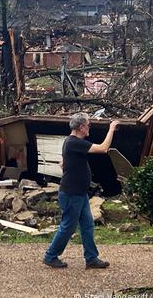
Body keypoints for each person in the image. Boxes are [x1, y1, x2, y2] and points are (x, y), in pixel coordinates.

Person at [43, 113, 120, 269]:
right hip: (72, 194)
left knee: (87, 225)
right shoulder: (74, 142)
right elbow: (103, 148)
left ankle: (91, 258)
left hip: (79, 193)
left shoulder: (72, 143)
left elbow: (64, 163)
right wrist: (111, 128)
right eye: (88, 125)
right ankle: (50, 256)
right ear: (81, 127)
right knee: (68, 226)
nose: (89, 128)